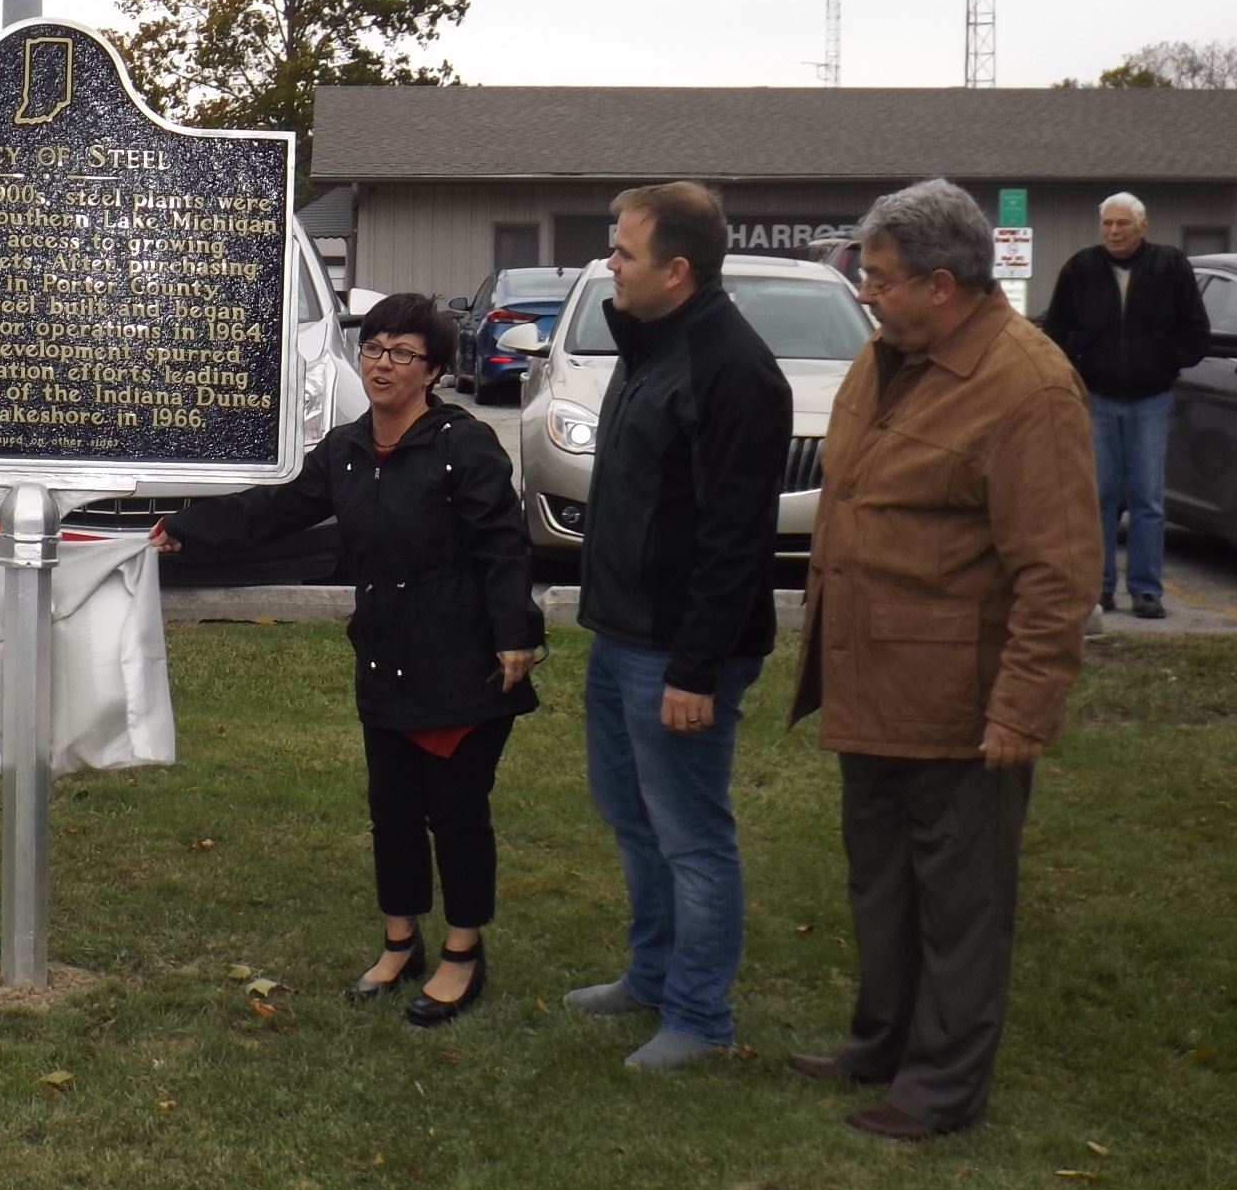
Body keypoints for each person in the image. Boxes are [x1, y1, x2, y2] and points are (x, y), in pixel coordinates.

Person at [789, 179, 1096, 1141]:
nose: (865, 292)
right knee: (881, 884)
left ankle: (942, 1087)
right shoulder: (887, 359)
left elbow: (1057, 572)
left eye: (879, 278)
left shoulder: (1027, 387)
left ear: (942, 284)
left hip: (960, 704)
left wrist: (1020, 710)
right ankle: (880, 1043)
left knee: (961, 906)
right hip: (873, 683)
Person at [150, 293, 542, 1026]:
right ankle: (401, 941)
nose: (383, 364)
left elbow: (502, 546)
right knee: (391, 811)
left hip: (461, 660)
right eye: (373, 348)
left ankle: (463, 952)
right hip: (386, 655)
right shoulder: (347, 449)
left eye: (402, 353)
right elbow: (274, 510)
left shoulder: (465, 445)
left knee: (455, 814)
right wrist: (185, 529)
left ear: (431, 370)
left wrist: (513, 634)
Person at [566, 182, 792, 1070]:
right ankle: (650, 977)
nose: (610, 264)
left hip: (680, 652)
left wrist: (697, 670)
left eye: (624, 253)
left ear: (679, 269)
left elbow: (738, 540)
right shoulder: (648, 343)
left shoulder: (733, 370)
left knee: (693, 836)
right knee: (631, 817)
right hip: (621, 634)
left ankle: (700, 1016)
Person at [1040, 192, 1208, 619]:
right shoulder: (1081, 269)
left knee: (1149, 498)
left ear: (1143, 227)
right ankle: (1099, 589)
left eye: (1123, 224)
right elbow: (1056, 329)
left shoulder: (1170, 267)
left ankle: (1147, 590)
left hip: (1151, 400)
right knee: (1100, 497)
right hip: (1097, 397)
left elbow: (1195, 332)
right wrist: (1082, 357)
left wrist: (1164, 360)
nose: (1114, 232)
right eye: (1108, 224)